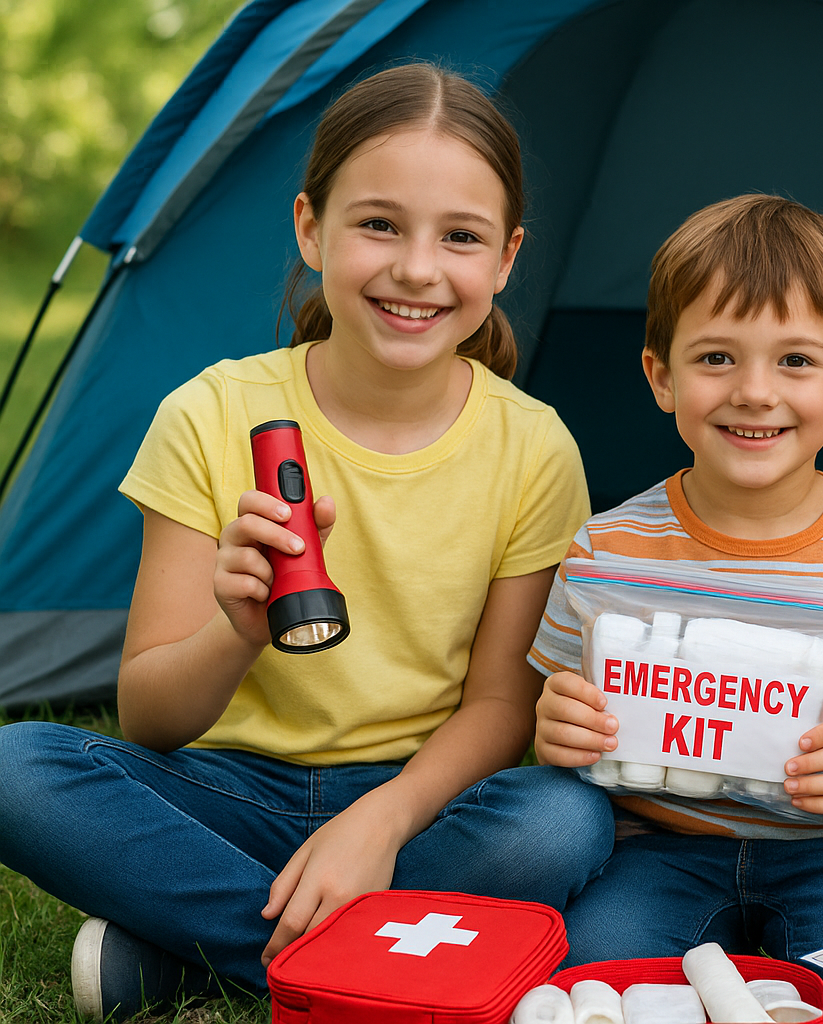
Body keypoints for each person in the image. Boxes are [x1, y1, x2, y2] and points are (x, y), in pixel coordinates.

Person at [0, 63, 614, 1022]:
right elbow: (151, 718)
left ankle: (191, 948)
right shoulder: (211, 414)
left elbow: (501, 709)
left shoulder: (532, 446)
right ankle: (368, 966)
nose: (416, 268)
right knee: (18, 770)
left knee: (560, 820)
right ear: (308, 227)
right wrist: (235, 627)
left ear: (504, 261)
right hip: (225, 787)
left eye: (460, 237)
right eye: (378, 224)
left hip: (423, 802)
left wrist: (381, 820)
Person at [528, 194, 823, 1017]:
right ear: (661, 376)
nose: (755, 392)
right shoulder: (603, 549)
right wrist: (560, 725)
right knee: (598, 978)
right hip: (654, 847)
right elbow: (555, 717)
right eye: (717, 359)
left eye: (796, 362)